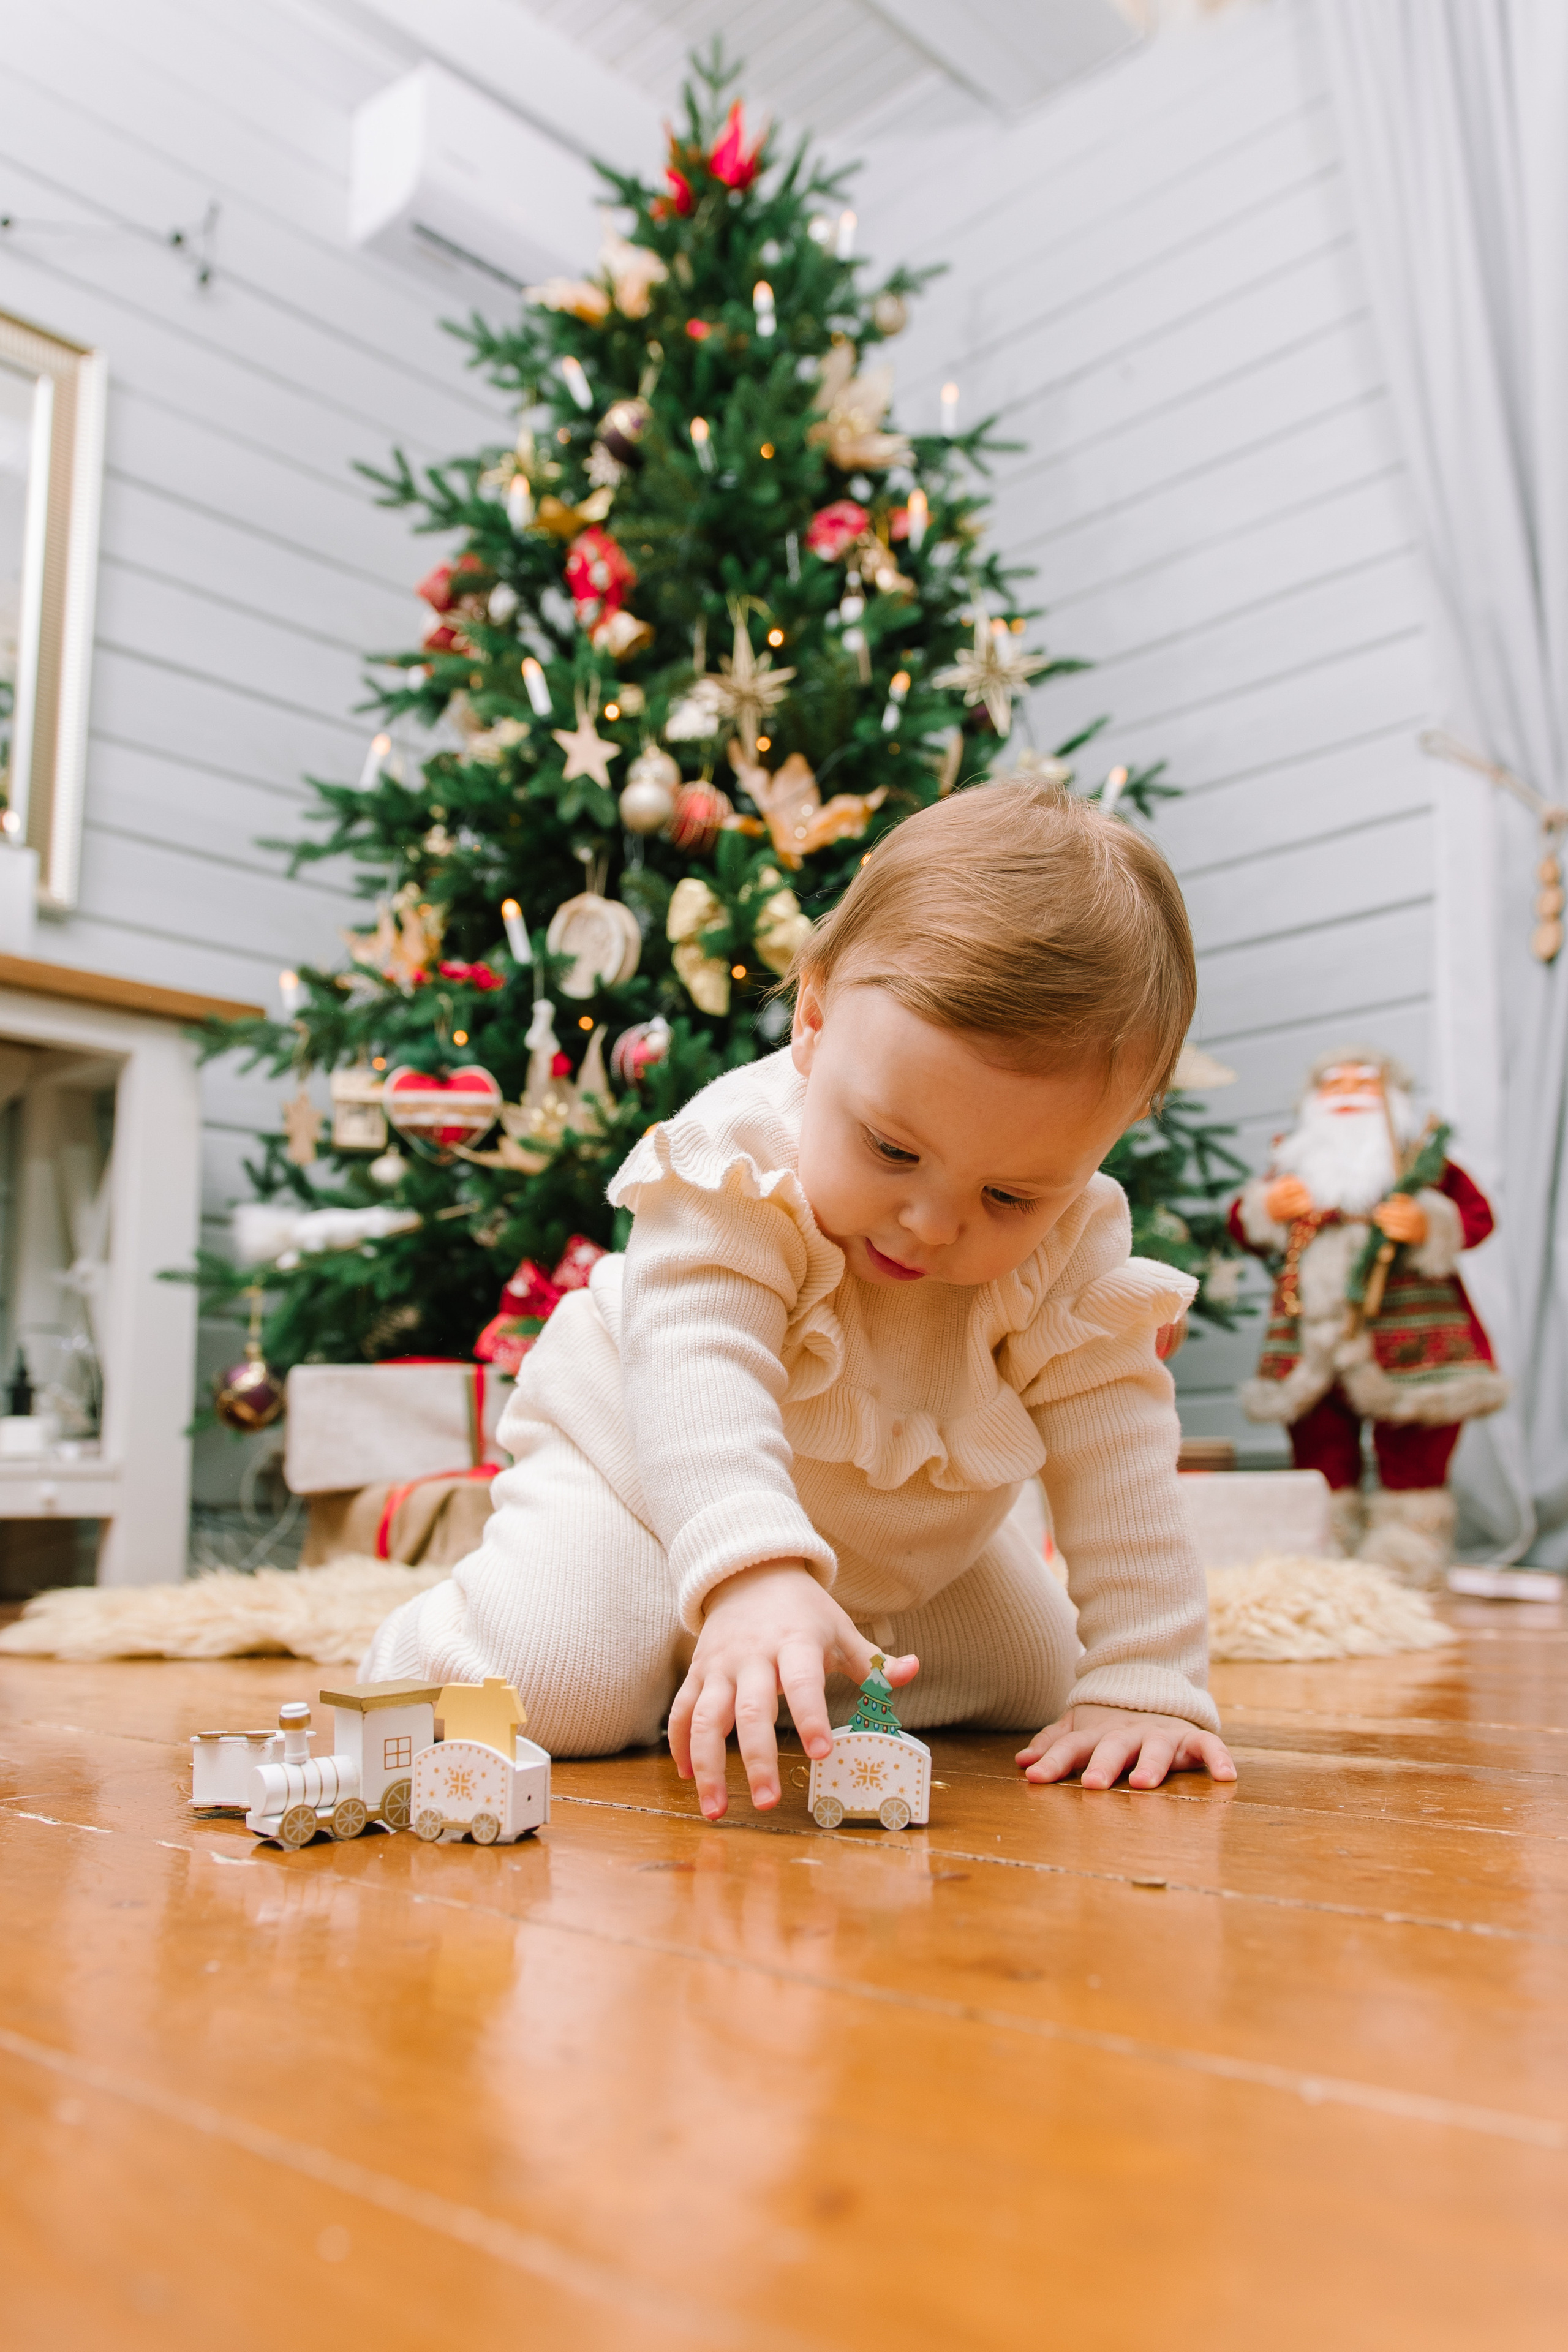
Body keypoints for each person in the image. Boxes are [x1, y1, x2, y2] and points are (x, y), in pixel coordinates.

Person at [362, 782, 1235, 1815]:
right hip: (634, 1479)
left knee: (1039, 1680)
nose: (934, 1222)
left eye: (1010, 1194)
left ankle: (756, 1651)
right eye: (892, 1149)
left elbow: (1118, 1455)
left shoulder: (1077, 1250)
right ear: (815, 1023)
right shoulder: (739, 1163)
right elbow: (702, 1364)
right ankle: (455, 1642)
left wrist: (1149, 1680)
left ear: (1115, 1133)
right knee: (565, 1687)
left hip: (885, 1546)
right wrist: (752, 1567)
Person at [1229, 1052, 1506, 1578]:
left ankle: (1406, 1555)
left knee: (1417, 1444)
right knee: (1320, 1444)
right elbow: (1244, 1227)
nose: (1350, 1091)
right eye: (1336, 1084)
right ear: (1312, 1100)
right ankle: (1327, 1549)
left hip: (1410, 1332)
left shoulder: (1422, 1163)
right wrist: (1267, 1207)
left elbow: (1477, 1218)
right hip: (1312, 1334)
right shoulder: (1293, 1162)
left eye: (1365, 1082)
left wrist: (1427, 1222)